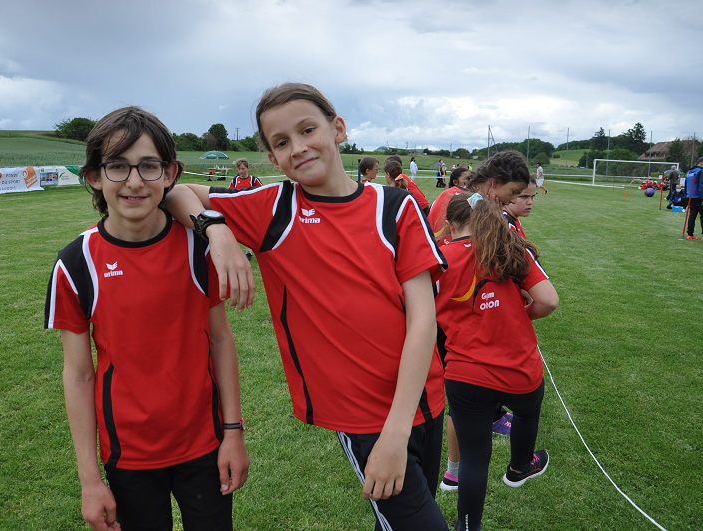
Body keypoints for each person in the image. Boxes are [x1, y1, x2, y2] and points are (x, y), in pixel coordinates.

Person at [165, 82, 450, 530]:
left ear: (338, 130)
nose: (297, 147)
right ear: (272, 158)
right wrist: (216, 231)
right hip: (364, 419)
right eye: (281, 142)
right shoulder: (273, 209)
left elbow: (423, 319)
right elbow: (176, 192)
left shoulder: (395, 207)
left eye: (307, 130)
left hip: (424, 402)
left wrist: (399, 431)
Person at [44, 106, 249, 530]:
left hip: (205, 445)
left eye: (148, 166)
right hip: (128, 456)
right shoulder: (76, 264)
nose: (135, 181)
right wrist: (89, 480)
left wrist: (233, 432)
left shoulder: (197, 248)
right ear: (94, 177)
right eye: (118, 166)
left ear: (169, 173)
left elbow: (220, 340)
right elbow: (79, 375)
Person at [435, 192, 559, 531]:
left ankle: (467, 526)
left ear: (450, 225)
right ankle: (520, 466)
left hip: (464, 375)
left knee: (474, 460)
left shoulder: (436, 260)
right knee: (528, 410)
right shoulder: (510, 248)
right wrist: (520, 313)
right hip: (520, 370)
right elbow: (548, 301)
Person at [433, 150, 533, 493]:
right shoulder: (462, 203)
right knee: (462, 400)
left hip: (470, 310)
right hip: (456, 317)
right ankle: (454, 469)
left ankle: (490, 420)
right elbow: (439, 251)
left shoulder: (480, 204)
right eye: (513, 193)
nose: (512, 201)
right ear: (494, 184)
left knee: (473, 392)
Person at [228, 158, 262, 260]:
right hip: (238, 209)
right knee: (236, 231)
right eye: (239, 169)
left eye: (243, 169)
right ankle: (237, 252)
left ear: (248, 168)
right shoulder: (235, 180)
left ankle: (250, 252)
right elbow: (229, 193)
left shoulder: (254, 180)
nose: (241, 171)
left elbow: (262, 191)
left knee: (249, 231)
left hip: (251, 210)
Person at [428, 166, 470, 246]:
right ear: (455, 182)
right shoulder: (449, 196)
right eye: (467, 179)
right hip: (447, 242)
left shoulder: (445, 194)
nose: (470, 182)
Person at [685, 157, 703, 239]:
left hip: (690, 196)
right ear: (701, 162)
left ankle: (690, 234)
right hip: (698, 196)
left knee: (692, 215)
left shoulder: (689, 172)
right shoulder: (700, 171)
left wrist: (686, 194)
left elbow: (686, 184)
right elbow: (701, 185)